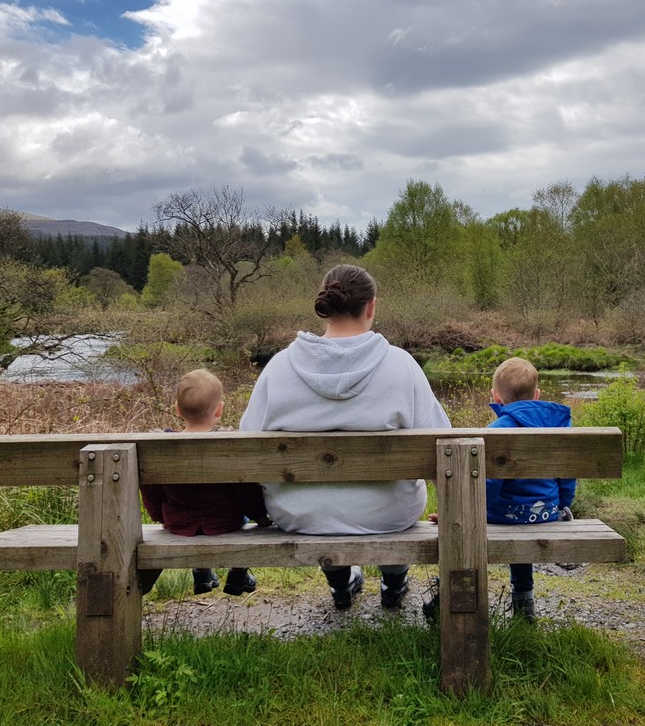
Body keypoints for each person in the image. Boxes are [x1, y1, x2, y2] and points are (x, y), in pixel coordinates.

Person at [239, 264, 451, 611]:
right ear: (371, 307)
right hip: (388, 514)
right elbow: (444, 443)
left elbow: (246, 448)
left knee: (324, 506)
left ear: (326, 305)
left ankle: (341, 584)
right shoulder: (402, 365)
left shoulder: (278, 367)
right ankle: (394, 582)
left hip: (300, 514)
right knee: (393, 501)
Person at [138, 368, 270, 597]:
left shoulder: (162, 446)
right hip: (225, 522)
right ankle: (238, 573)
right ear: (219, 410)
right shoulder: (227, 447)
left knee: (204, 520)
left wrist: (160, 516)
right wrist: (260, 515)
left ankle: (202, 573)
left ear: (177, 410)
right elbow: (246, 489)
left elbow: (151, 488)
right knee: (244, 521)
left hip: (178, 522)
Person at [484, 356, 574, 622]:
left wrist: (470, 512)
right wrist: (563, 504)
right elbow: (567, 476)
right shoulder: (559, 426)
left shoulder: (496, 429)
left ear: (496, 396)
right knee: (522, 515)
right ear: (536, 395)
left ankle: (450, 595)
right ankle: (524, 603)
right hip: (546, 512)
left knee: (513, 513)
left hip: (503, 515)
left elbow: (490, 484)